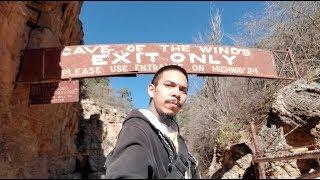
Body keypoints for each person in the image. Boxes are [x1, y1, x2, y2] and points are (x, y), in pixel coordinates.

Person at [105, 65, 199, 179]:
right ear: (152, 90)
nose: (177, 94)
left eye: (183, 90)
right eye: (169, 85)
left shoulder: (177, 137)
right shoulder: (137, 130)